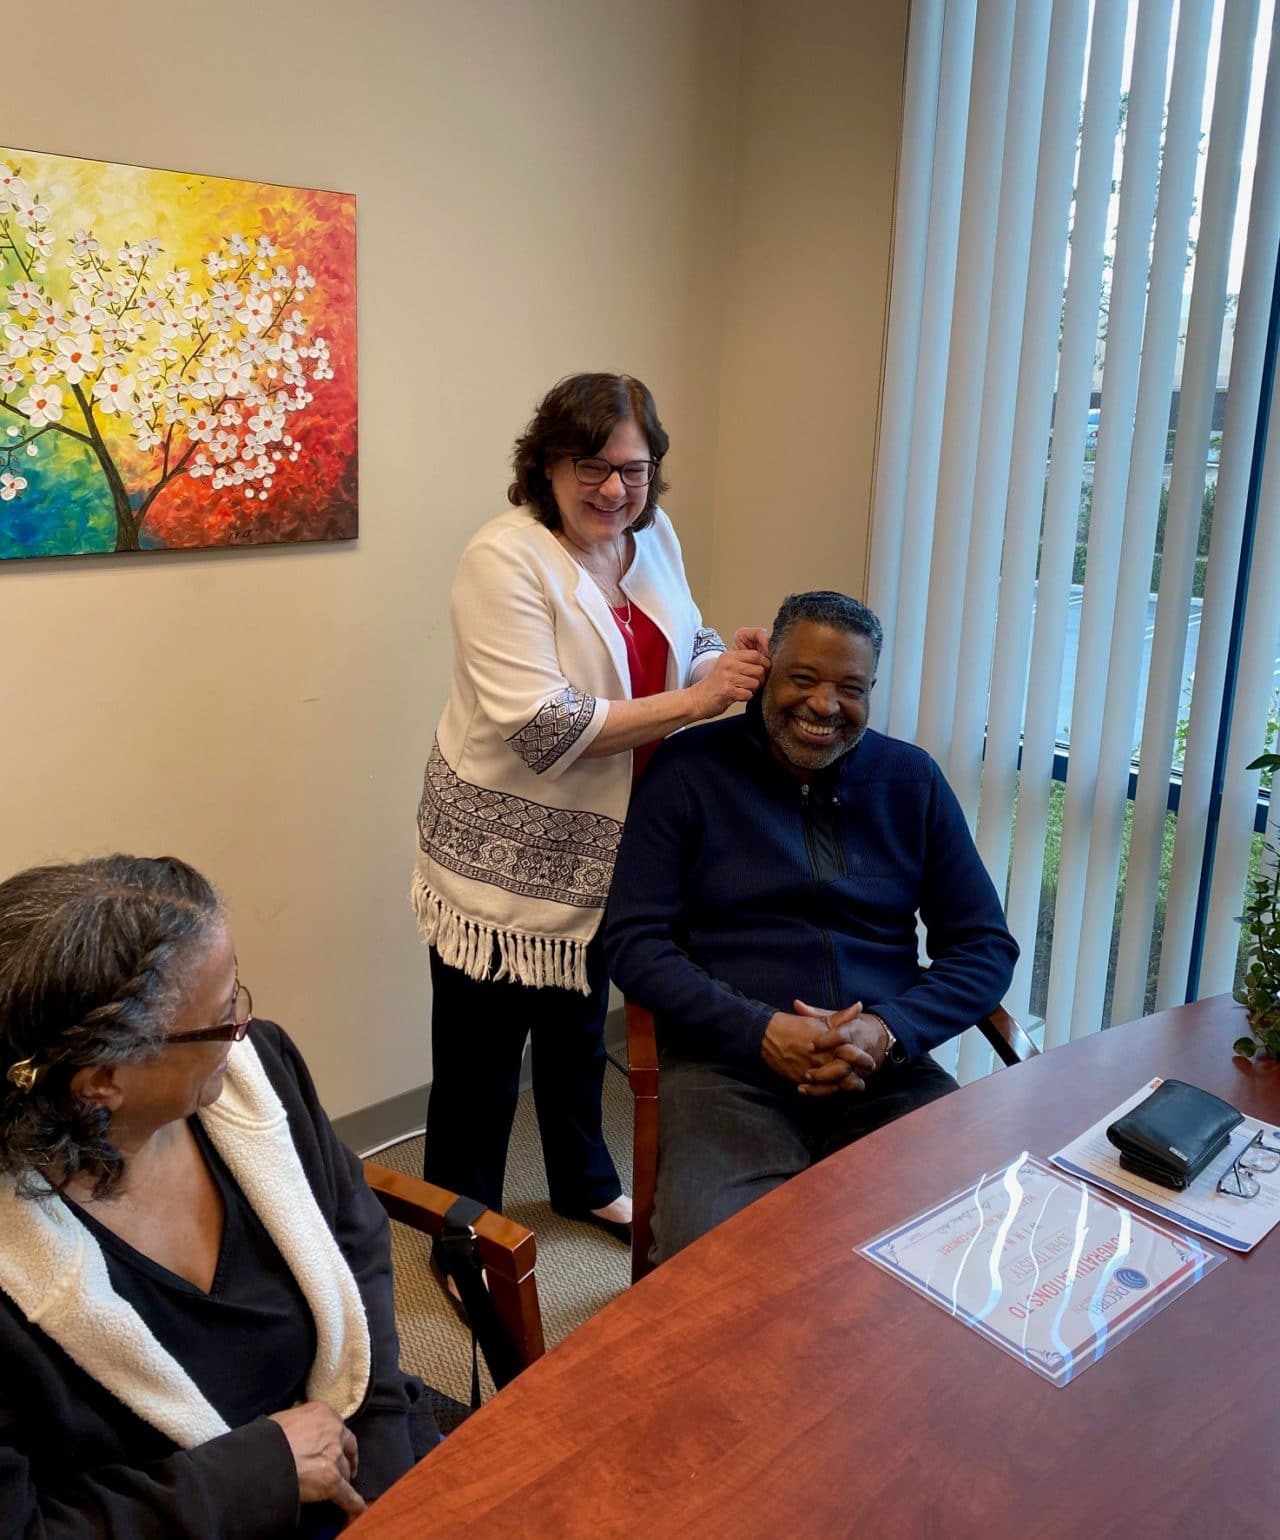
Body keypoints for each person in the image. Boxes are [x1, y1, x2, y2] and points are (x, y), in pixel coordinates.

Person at [411, 372, 767, 1247]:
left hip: (616, 841)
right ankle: (463, 1233)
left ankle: (582, 1183)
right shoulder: (504, 559)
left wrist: (726, 666)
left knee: (577, 1032)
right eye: (591, 467)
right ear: (547, 465)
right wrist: (699, 702)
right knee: (482, 1064)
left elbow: (686, 639)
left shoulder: (653, 536)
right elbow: (544, 726)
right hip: (502, 856)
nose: (614, 490)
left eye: (633, 470)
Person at [0, 855, 445, 1539]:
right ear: (102, 1082)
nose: (244, 1027)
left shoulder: (259, 1073)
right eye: (221, 1015)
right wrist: (261, 1472)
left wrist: (382, 1449)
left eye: (236, 991)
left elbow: (356, 1246)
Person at [604, 590, 1020, 1261]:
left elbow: (983, 945)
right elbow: (633, 942)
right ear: (766, 670)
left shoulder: (911, 781)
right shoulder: (689, 770)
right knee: (714, 1268)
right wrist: (760, 1029)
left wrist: (887, 1030)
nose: (825, 705)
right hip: (729, 1066)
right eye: (803, 678)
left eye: (850, 688)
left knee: (967, 1241)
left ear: (871, 691)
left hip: (883, 1070)